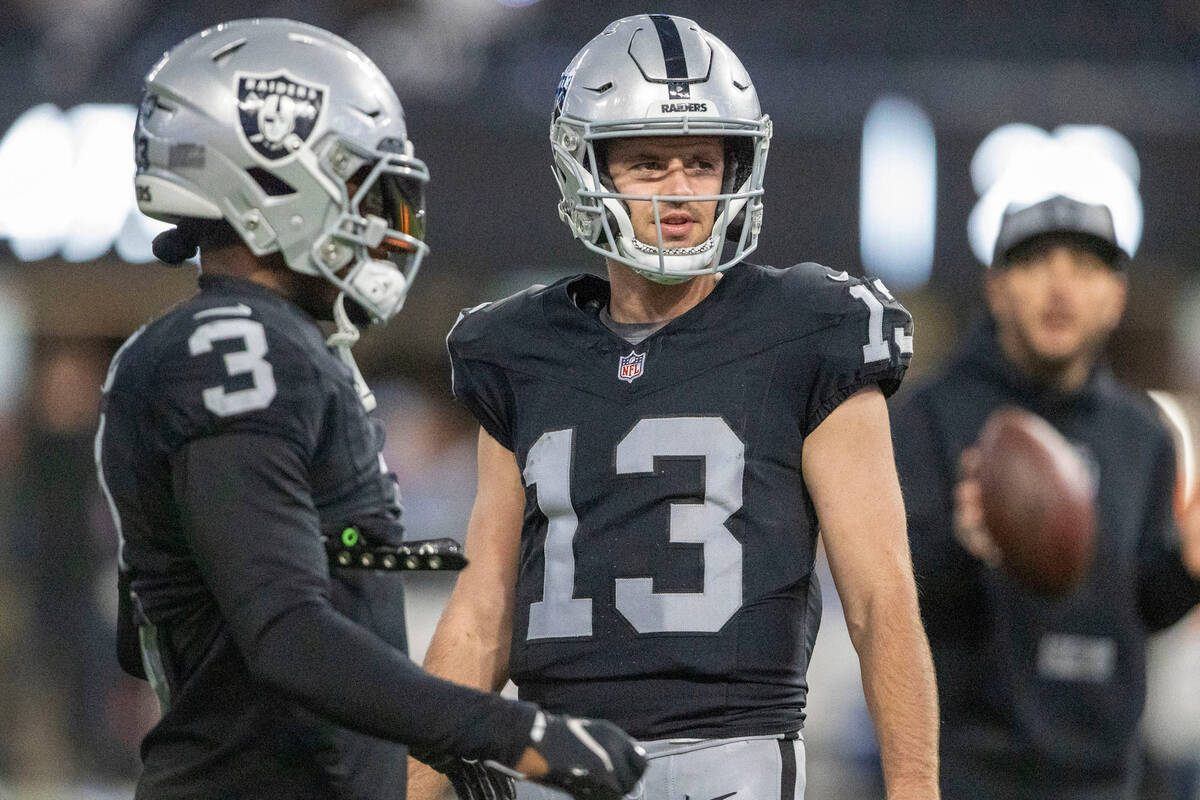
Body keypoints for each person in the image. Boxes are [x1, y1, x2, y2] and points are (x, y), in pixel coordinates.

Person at [96, 18, 646, 800]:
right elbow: (286, 633)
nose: (386, 222)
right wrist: (512, 733)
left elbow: (162, 623)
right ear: (273, 180)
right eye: (361, 184)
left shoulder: (259, 348)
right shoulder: (235, 348)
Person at [409, 14, 939, 800]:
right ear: (585, 168)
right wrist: (419, 789)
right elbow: (484, 610)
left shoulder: (810, 328)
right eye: (649, 163)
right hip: (554, 755)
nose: (683, 191)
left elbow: (880, 596)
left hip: (732, 753)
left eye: (702, 160)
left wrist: (916, 789)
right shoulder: (517, 348)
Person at [893, 193, 1200, 799]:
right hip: (968, 771)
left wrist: (1189, 568)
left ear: (1116, 298)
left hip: (1104, 773)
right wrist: (966, 546)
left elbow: (1140, 603)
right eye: (1036, 264)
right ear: (997, 287)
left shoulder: (1143, 434)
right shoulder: (931, 417)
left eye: (1085, 269)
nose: (1060, 288)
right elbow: (891, 598)